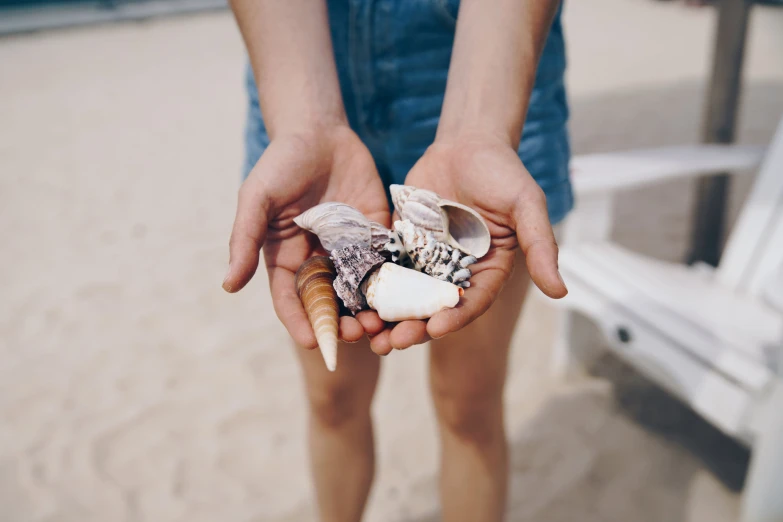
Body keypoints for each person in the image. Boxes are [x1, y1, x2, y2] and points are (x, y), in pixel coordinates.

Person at [222, 1, 571, 520]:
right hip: (299, 76)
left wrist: (481, 128)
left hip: (489, 76)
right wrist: (304, 123)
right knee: (333, 400)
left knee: (470, 405)